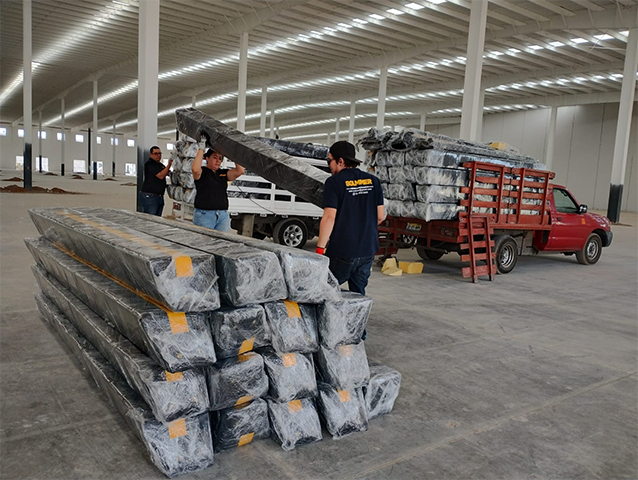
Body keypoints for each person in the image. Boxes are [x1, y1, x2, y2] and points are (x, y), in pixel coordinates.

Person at [316, 140, 385, 296]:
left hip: (343, 250)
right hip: (368, 250)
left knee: (325, 291)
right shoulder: (373, 181)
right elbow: (380, 216)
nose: (328, 165)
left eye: (329, 161)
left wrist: (319, 250)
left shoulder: (334, 182)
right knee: (358, 295)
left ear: (340, 161)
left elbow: (329, 218)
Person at [191, 140, 245, 232]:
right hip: (204, 215)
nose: (218, 161)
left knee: (223, 240)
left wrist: (233, 154)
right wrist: (201, 149)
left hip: (222, 215)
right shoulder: (202, 172)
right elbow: (195, 169)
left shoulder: (222, 173)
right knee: (204, 240)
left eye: (220, 158)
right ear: (207, 158)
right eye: (215, 157)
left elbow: (240, 171)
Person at [140, 146, 172, 216]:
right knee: (150, 217)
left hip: (159, 196)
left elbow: (168, 173)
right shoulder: (149, 164)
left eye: (160, 153)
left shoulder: (160, 165)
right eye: (156, 153)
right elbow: (160, 175)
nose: (158, 155)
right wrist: (169, 165)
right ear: (151, 154)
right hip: (150, 196)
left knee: (157, 218)